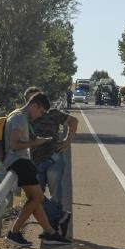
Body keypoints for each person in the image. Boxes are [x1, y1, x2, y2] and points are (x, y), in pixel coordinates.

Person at [2, 93, 71, 246]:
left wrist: (36, 141)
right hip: (19, 162)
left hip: (20, 162)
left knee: (35, 200)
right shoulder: (19, 118)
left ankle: (50, 233)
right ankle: (14, 232)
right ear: (34, 105)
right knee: (38, 198)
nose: (39, 116)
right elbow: (14, 145)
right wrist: (36, 143)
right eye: (40, 112)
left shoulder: (17, 115)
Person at [23, 87, 77, 236]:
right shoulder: (24, 119)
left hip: (54, 159)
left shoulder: (52, 113)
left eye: (36, 99)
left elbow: (74, 121)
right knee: (35, 197)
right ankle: (60, 220)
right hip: (36, 162)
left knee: (55, 196)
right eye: (30, 99)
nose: (33, 102)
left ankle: (54, 230)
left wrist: (67, 141)